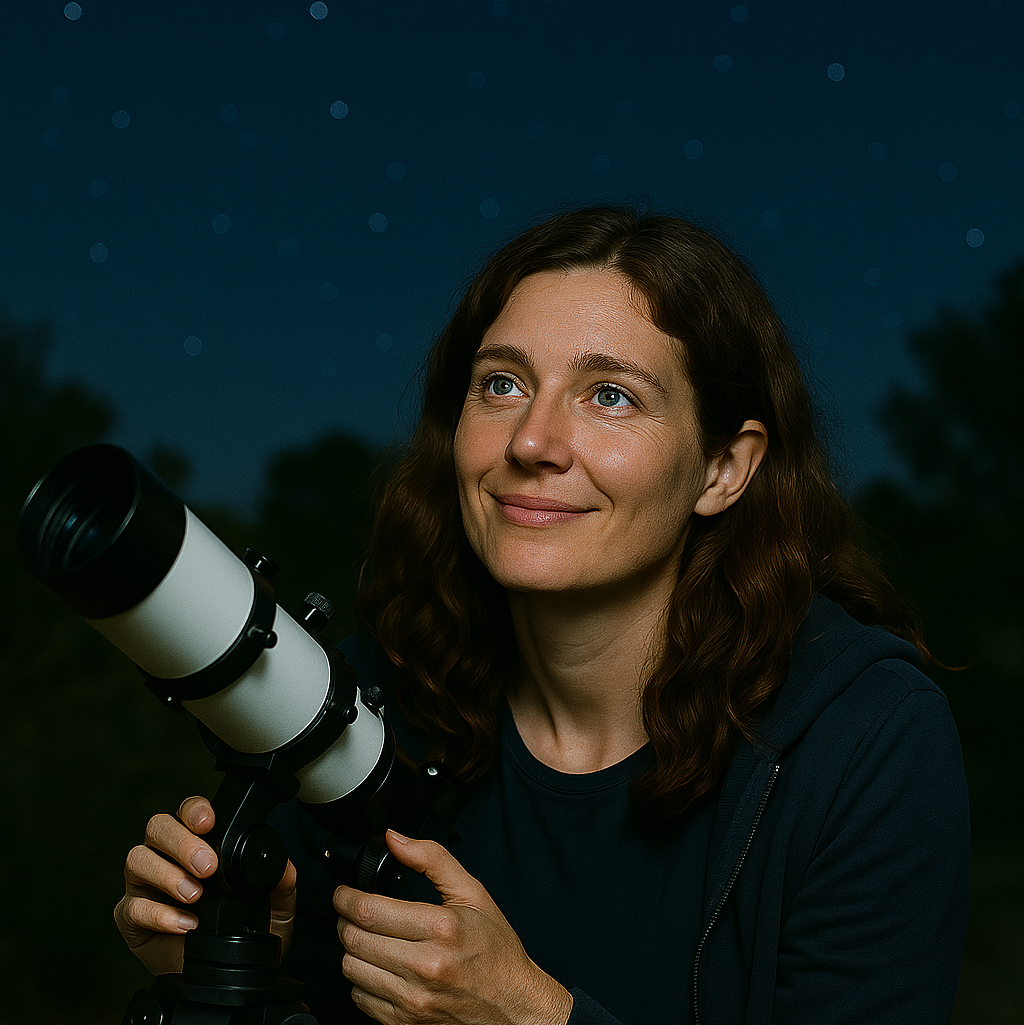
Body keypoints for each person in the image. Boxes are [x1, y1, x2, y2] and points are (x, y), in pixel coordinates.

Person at [115, 206, 970, 1025]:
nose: (531, 441)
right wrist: (255, 968)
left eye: (610, 397)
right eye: (502, 383)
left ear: (723, 468)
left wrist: (532, 1014)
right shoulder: (358, 700)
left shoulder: (867, 738)